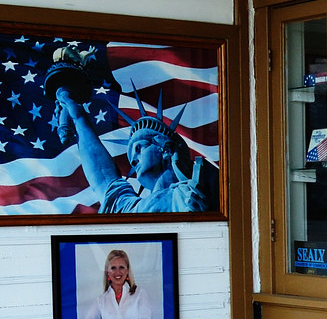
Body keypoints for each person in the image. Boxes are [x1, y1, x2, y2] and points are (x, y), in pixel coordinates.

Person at [48, 48, 218, 213]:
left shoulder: (194, 191)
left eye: (139, 148)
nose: (134, 161)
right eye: (132, 157)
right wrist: (78, 117)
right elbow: (103, 177)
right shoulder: (130, 209)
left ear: (165, 149)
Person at [78, 250, 154, 319]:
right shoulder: (101, 301)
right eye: (113, 268)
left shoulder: (140, 293)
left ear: (127, 270)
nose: (117, 272)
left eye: (121, 267)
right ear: (107, 272)